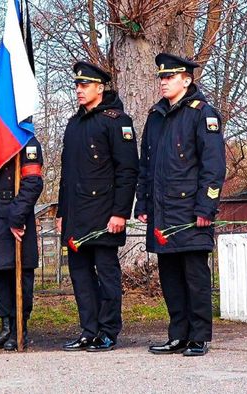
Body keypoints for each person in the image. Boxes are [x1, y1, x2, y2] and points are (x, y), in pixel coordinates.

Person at [135, 53, 226, 357]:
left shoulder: (203, 114)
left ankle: (198, 336)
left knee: (195, 277)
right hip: (162, 211)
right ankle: (178, 334)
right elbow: (145, 165)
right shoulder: (156, 116)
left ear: (186, 80)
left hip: (190, 212)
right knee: (170, 277)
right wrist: (143, 201)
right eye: (161, 77)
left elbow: (213, 167)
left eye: (170, 77)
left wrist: (205, 208)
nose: (164, 82)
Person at [57, 62, 139, 352]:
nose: (79, 90)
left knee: (106, 275)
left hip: (105, 213)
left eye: (85, 85)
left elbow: (128, 171)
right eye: (77, 85)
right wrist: (61, 212)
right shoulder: (74, 123)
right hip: (76, 214)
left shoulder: (117, 121)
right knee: (80, 276)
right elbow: (67, 174)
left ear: (100, 87)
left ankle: (108, 331)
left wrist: (120, 212)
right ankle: (88, 330)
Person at [0, 92, 43, 350]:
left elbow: (33, 182)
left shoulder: (26, 141)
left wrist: (16, 216)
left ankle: (19, 327)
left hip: (14, 213)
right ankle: (5, 325)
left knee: (19, 275)